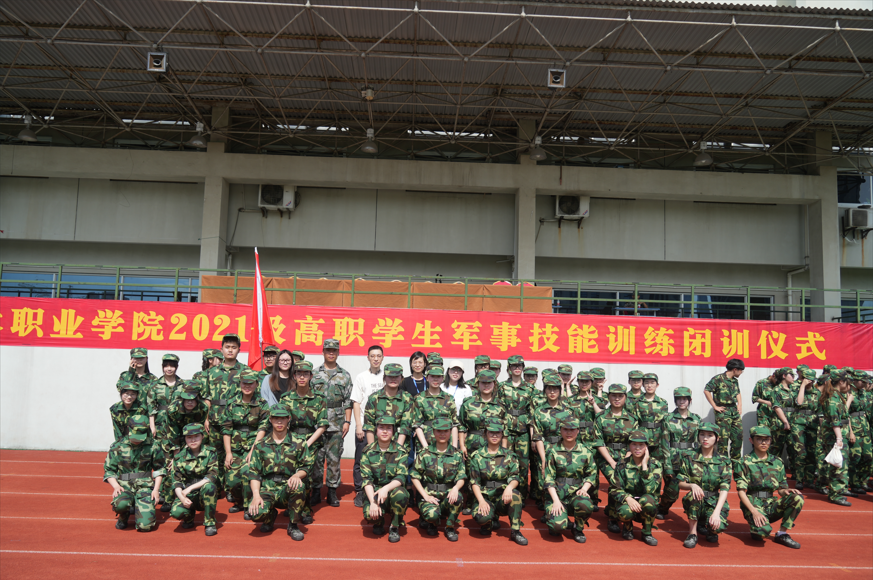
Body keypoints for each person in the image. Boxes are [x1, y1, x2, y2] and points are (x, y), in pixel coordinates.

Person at [247, 405, 314, 541]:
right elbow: (254, 473)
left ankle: (293, 525)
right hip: (267, 488)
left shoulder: (299, 442)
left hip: (287, 487)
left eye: (282, 418)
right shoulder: (260, 445)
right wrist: (256, 495)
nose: (279, 421)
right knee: (255, 513)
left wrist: (297, 475)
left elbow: (307, 466)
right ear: (270, 419)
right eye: (276, 418)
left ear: (288, 419)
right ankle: (270, 516)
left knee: (299, 485)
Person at [735, 426, 804, 548]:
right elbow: (741, 491)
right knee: (762, 533)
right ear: (751, 440)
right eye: (759, 439)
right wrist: (754, 512)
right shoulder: (744, 462)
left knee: (797, 497)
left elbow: (781, 489)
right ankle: (758, 527)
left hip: (770, 503)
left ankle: (782, 533)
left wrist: (786, 490)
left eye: (767, 439)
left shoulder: (777, 462)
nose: (763, 442)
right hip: (753, 503)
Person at [468, 418, 527, 546]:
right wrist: (481, 501)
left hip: (502, 497)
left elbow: (515, 477)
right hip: (485, 496)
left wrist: (509, 488)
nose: (494, 436)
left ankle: (515, 531)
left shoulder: (509, 455)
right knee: (482, 518)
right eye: (491, 432)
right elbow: (474, 482)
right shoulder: (477, 456)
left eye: (497, 433)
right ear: (485, 434)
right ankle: (489, 522)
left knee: (516, 496)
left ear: (502, 434)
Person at [280, 361, 328, 516]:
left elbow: (322, 425)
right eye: (299, 374)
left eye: (305, 374)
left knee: (306, 475)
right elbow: (281, 422)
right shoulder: (286, 398)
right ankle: (291, 505)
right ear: (294, 376)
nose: (302, 377)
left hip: (310, 441)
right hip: (291, 440)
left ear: (311, 376)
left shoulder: (319, 398)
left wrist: (306, 444)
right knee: (289, 473)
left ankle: (305, 509)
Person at [103, 415, 164, 532]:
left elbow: (159, 469)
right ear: (129, 429)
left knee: (145, 526)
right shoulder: (118, 446)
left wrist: (156, 490)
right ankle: (123, 516)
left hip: (145, 487)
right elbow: (109, 470)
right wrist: (116, 486)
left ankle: (139, 506)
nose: (137, 440)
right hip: (124, 486)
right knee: (121, 504)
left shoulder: (153, 445)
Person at [221, 368, 270, 516]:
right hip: (235, 448)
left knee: (247, 473)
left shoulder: (262, 404)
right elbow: (226, 429)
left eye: (251, 383)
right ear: (240, 384)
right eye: (244, 383)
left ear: (256, 384)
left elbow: (262, 429)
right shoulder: (231, 403)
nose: (247, 386)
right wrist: (228, 453)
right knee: (231, 480)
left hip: (253, 446)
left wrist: (253, 451)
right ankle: (239, 502)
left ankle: (249, 505)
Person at [410, 417, 466, 542]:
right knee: (432, 515)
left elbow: (462, 477)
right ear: (433, 432)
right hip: (430, 495)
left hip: (447, 495)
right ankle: (432, 522)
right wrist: (425, 496)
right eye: (439, 431)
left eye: (446, 431)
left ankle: (449, 527)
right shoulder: (424, 453)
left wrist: (456, 488)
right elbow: (414, 476)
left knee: (458, 497)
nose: (442, 434)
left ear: (450, 432)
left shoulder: (457, 454)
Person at [311, 338, 352, 507]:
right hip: (318, 423)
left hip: (337, 422)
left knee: (334, 459)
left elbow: (348, 401)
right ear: (323, 352)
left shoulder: (345, 375)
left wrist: (347, 422)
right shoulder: (314, 374)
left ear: (338, 353)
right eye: (328, 350)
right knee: (317, 458)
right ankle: (316, 491)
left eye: (334, 350)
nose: (331, 353)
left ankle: (332, 491)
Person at [205, 333, 249, 488]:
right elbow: (207, 397)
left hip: (235, 421)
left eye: (234, 347)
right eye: (227, 347)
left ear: (239, 350)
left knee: (233, 454)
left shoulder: (245, 371)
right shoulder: (212, 372)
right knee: (215, 454)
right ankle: (216, 485)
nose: (230, 350)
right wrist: (206, 418)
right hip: (215, 420)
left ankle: (230, 487)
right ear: (221, 349)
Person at [543, 417, 597, 543]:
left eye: (572, 430)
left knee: (586, 504)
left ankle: (577, 528)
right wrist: (556, 501)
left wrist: (584, 489)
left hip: (575, 493)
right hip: (557, 494)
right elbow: (548, 478)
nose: (569, 433)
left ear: (577, 431)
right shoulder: (552, 451)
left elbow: (592, 474)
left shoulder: (586, 451)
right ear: (560, 430)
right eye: (565, 429)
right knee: (557, 527)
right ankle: (558, 519)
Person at [677, 422, 731, 548]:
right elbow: (680, 483)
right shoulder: (689, 456)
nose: (705, 438)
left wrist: (716, 513)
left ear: (717, 438)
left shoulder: (724, 461)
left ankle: (708, 527)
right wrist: (692, 486)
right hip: (697, 498)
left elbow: (724, 488)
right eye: (702, 434)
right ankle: (692, 534)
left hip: (713, 500)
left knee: (718, 528)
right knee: (694, 496)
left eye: (710, 435)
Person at [595, 384, 639, 533]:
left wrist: (625, 460)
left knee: (628, 480)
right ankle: (613, 518)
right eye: (614, 395)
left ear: (625, 398)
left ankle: (618, 510)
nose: (617, 399)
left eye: (620, 396)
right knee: (616, 480)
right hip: (606, 457)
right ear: (608, 397)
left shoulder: (632, 419)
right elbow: (599, 442)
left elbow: (634, 442)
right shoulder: (601, 417)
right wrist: (612, 462)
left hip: (627, 456)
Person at [360, 416, 410, 543]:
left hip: (393, 490)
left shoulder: (401, 451)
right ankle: (379, 521)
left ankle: (394, 525)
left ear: (393, 432)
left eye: (389, 428)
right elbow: (366, 479)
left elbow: (401, 477)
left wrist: (386, 489)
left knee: (401, 494)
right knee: (369, 515)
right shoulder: (367, 452)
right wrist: (373, 502)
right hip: (375, 492)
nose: (385, 431)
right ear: (376, 430)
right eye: (381, 428)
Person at [609, 431, 662, 545]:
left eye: (641, 445)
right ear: (629, 446)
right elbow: (614, 488)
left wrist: (644, 466)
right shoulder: (622, 465)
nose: (637, 448)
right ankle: (627, 527)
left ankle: (647, 532)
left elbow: (650, 490)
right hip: (628, 503)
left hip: (646, 503)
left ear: (646, 447)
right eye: (634, 444)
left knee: (649, 500)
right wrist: (628, 498)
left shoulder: (655, 465)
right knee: (624, 512)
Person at [656, 387, 701, 519]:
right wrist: (667, 465)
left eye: (685, 399)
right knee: (672, 491)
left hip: (690, 459)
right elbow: (664, 442)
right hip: (673, 459)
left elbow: (699, 441)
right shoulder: (668, 418)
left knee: (697, 488)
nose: (682, 401)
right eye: (679, 399)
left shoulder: (696, 419)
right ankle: (662, 508)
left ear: (689, 400)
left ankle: (698, 516)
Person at [170, 423, 219, 536]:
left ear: (202, 436)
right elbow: (176, 482)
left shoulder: (211, 452)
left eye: (196, 436)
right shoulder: (179, 457)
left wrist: (190, 488)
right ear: (185, 439)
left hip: (202, 492)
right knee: (176, 512)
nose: (193, 440)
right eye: (189, 437)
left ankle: (210, 523)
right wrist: (182, 498)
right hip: (187, 495)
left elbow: (212, 475)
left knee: (210, 486)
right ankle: (189, 517)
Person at [531, 376, 572, 511]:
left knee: (562, 476)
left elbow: (572, 433)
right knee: (544, 478)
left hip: (563, 448)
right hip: (546, 448)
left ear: (560, 391)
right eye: (549, 389)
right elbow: (538, 436)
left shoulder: (567, 410)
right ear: (545, 391)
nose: (552, 392)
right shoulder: (539, 411)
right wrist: (543, 459)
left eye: (555, 389)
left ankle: (563, 504)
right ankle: (547, 506)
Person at [351, 345, 385, 508]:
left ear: (382, 358)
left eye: (378, 356)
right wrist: (359, 425)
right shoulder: (361, 377)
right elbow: (356, 403)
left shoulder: (387, 377)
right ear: (368, 358)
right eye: (373, 356)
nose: (376, 359)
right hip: (365, 426)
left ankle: (378, 488)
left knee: (381, 460)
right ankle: (360, 491)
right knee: (361, 459)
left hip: (384, 428)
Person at [497, 355, 533, 499]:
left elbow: (532, 411)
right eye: (514, 366)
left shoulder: (529, 388)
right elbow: (498, 409)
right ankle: (504, 492)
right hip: (507, 431)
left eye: (519, 366)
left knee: (523, 464)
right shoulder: (502, 387)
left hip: (523, 432)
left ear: (523, 368)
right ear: (509, 369)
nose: (517, 368)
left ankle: (521, 495)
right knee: (505, 461)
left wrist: (533, 435)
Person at [820, 371, 853, 506]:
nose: (849, 385)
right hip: (835, 436)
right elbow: (835, 421)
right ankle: (835, 494)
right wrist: (839, 438)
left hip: (839, 434)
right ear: (841, 382)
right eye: (847, 382)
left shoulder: (837, 396)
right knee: (838, 466)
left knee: (840, 464)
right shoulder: (833, 399)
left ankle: (837, 492)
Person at [704, 358, 745, 463]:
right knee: (723, 439)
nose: (741, 373)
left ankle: (735, 462)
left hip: (734, 411)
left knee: (738, 436)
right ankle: (723, 463)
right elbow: (707, 390)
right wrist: (715, 406)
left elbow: (738, 393)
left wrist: (740, 405)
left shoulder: (735, 381)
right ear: (735, 369)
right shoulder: (718, 379)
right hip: (723, 412)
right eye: (741, 370)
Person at [364, 363, 414, 446]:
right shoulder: (374, 398)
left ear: (401, 378)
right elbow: (369, 426)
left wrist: (398, 450)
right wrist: (372, 449)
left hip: (400, 445)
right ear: (384, 377)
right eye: (390, 376)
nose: (393, 379)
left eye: (396, 376)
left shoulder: (407, 398)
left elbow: (405, 426)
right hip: (377, 445)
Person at [628, 373, 668, 469]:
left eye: (652, 383)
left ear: (657, 385)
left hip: (658, 441)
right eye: (646, 383)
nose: (649, 385)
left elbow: (665, 424)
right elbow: (635, 422)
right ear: (643, 385)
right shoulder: (637, 403)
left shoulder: (663, 403)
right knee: (641, 466)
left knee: (658, 466)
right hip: (642, 441)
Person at [413, 366, 459, 447]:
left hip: (446, 443)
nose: (435, 379)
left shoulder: (449, 398)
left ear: (442, 378)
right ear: (427, 378)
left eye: (438, 377)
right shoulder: (419, 398)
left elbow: (454, 424)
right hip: (426, 442)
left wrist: (454, 447)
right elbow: (417, 425)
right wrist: (425, 447)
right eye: (432, 376)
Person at [792, 368, 820, 491]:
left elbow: (820, 410)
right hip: (799, 423)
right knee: (800, 453)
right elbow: (799, 402)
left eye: (812, 380)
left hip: (813, 424)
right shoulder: (796, 389)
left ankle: (809, 480)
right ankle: (799, 480)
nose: (810, 382)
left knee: (812, 453)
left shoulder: (817, 393)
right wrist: (802, 386)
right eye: (807, 379)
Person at [147, 354, 185, 439]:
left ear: (177, 367)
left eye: (172, 366)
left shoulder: (183, 385)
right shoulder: (155, 385)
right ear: (162, 367)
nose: (169, 369)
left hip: (178, 423)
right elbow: (151, 407)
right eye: (166, 366)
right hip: (160, 423)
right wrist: (152, 426)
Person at [769, 367, 797, 474]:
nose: (793, 377)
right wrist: (785, 421)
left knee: (794, 449)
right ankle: (772, 473)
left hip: (793, 423)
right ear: (784, 376)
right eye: (791, 375)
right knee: (776, 449)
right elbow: (777, 407)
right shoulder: (776, 390)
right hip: (779, 424)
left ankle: (795, 474)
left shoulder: (793, 390)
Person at [848, 369, 871, 495]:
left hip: (865, 428)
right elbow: (845, 414)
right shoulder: (848, 392)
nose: (865, 384)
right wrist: (850, 432)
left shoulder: (864, 393)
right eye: (863, 382)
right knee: (855, 458)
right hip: (854, 429)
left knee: (868, 457)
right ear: (855, 381)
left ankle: (863, 481)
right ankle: (854, 484)